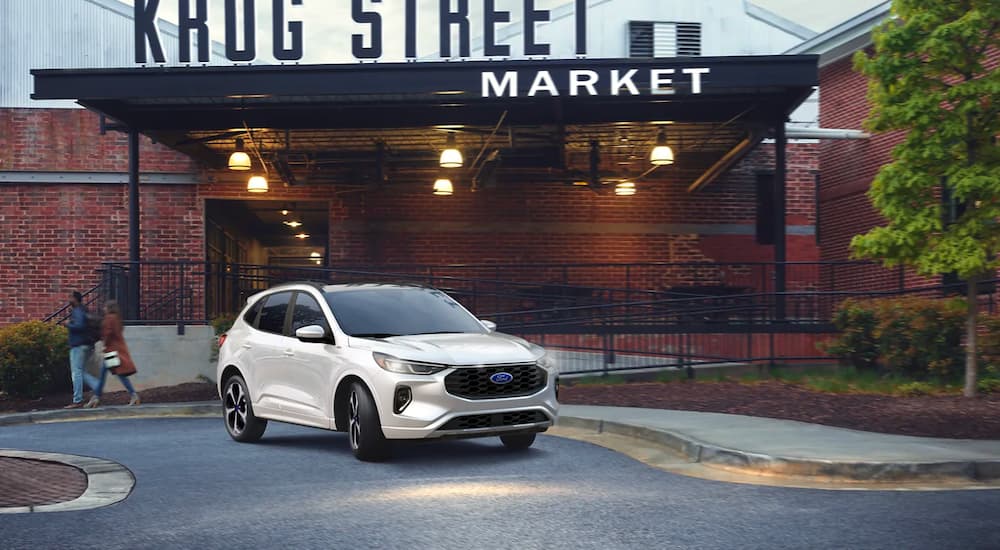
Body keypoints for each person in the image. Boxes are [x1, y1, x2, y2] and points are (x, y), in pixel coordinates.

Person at [85, 301, 141, 408]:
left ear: (109, 308)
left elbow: (107, 333)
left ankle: (133, 395)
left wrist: (104, 344)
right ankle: (96, 397)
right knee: (110, 374)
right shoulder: (117, 318)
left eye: (105, 307)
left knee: (115, 375)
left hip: (111, 351)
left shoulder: (109, 318)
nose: (103, 309)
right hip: (117, 349)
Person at [64, 291, 100, 409]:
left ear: (75, 299)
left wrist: (68, 324)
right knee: (81, 372)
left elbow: (80, 326)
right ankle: (98, 387)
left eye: (70, 297)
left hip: (79, 345)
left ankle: (77, 400)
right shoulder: (83, 310)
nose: (68, 299)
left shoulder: (78, 311)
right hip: (86, 344)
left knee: (76, 373)